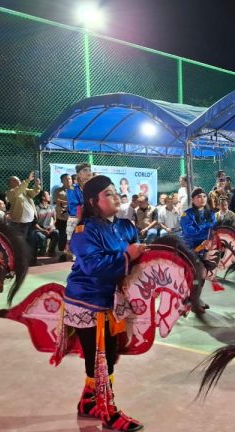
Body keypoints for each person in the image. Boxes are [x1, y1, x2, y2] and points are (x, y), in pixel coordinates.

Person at [63, 175, 145, 431]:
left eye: (115, 192)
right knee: (101, 357)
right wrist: (126, 256)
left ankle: (88, 401)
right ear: (93, 201)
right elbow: (93, 266)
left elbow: (139, 257)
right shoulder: (83, 231)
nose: (115, 196)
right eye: (108, 193)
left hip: (114, 301)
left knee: (108, 355)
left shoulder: (125, 226)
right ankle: (108, 412)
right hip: (88, 302)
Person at [7, 172, 42, 265]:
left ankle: (32, 262)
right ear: (10, 183)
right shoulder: (10, 192)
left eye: (19, 180)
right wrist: (27, 180)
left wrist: (37, 185)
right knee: (21, 244)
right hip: (20, 223)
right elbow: (18, 191)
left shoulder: (24, 190)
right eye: (16, 180)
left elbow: (34, 192)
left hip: (30, 222)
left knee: (32, 242)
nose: (19, 181)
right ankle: (20, 263)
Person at [67, 163, 93, 241]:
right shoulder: (72, 189)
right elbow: (75, 209)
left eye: (89, 170)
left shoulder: (95, 187)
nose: (88, 172)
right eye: (85, 170)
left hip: (93, 220)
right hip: (78, 221)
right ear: (79, 174)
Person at [34, 191, 59, 257]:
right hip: (38, 230)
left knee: (56, 233)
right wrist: (42, 230)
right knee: (42, 237)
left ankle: (51, 251)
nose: (50, 196)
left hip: (48, 229)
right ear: (43, 197)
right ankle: (41, 252)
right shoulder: (36, 208)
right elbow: (34, 223)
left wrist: (52, 226)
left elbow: (54, 219)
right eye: (48, 194)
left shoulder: (51, 207)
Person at [54, 174, 71, 259]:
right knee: (63, 236)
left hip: (74, 218)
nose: (68, 180)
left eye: (69, 179)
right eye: (66, 179)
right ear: (62, 181)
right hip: (62, 218)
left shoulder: (76, 190)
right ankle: (61, 254)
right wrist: (67, 203)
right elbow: (56, 201)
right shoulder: (58, 191)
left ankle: (72, 253)